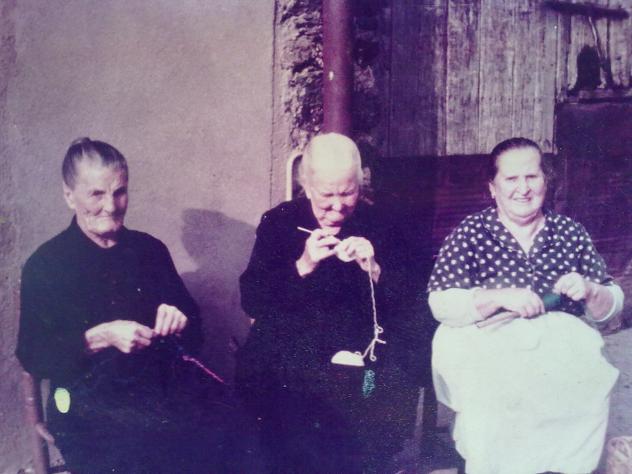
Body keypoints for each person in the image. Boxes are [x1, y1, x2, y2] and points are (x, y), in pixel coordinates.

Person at [16, 138, 256, 473]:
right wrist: (98, 337)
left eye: (119, 192)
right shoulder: (46, 264)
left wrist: (179, 321)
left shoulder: (149, 250)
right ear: (69, 196)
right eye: (96, 194)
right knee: (147, 447)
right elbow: (34, 355)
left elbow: (194, 336)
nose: (111, 206)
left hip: (157, 390)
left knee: (238, 425)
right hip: (86, 403)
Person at [428, 137, 623, 474]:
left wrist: (590, 289)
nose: (523, 188)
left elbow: (611, 306)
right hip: (488, 341)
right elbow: (440, 302)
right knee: (500, 401)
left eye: (532, 176)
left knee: (582, 388)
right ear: (493, 188)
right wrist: (498, 296)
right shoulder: (472, 233)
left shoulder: (569, 232)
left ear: (546, 180)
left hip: (560, 347)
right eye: (511, 179)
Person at [235, 133, 425, 473]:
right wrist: (303, 265)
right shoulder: (279, 223)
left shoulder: (383, 223)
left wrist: (375, 269)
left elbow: (413, 301)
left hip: (364, 361)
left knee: (374, 396)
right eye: (327, 195)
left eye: (348, 193)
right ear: (306, 187)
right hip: (295, 355)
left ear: (360, 184)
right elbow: (253, 300)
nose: (338, 206)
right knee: (282, 415)